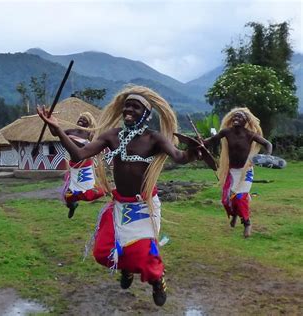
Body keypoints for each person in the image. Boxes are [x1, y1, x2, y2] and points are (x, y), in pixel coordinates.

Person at [37, 86, 201, 306]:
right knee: (103, 252)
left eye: (136, 106)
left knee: (144, 255)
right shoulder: (112, 136)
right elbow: (79, 153)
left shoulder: (154, 139)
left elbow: (179, 157)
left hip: (143, 206)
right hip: (119, 205)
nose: (129, 109)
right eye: (127, 105)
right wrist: (56, 130)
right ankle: (125, 268)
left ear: (147, 114)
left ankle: (157, 280)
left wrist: (193, 152)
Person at [203, 107, 272, 238]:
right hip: (232, 171)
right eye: (234, 116)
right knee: (226, 200)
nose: (236, 118)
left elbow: (268, 144)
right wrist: (200, 143)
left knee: (240, 198)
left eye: (239, 117)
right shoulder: (226, 132)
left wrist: (268, 156)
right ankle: (234, 214)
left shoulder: (250, 134)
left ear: (245, 121)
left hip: (246, 171)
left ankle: (246, 223)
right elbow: (210, 141)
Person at [59, 112, 105, 218]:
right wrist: (50, 123)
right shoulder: (70, 131)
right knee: (69, 196)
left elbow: (99, 142)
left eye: (85, 119)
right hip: (73, 166)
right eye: (81, 118)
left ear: (88, 124)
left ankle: (110, 191)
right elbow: (57, 133)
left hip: (85, 165)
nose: (82, 120)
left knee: (88, 194)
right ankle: (72, 206)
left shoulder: (90, 135)